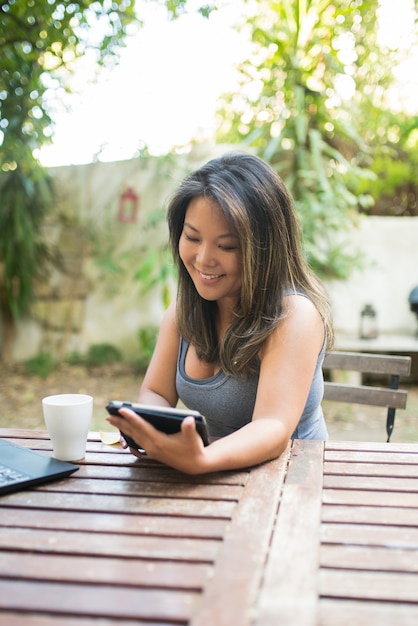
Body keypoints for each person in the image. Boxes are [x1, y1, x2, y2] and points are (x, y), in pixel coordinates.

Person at [107, 152, 333, 474]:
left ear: (265, 250)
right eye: (192, 237)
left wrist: (202, 460)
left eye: (226, 246)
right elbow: (156, 392)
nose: (203, 259)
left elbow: (273, 427)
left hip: (289, 483)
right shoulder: (184, 311)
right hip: (214, 480)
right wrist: (146, 426)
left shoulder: (294, 315)